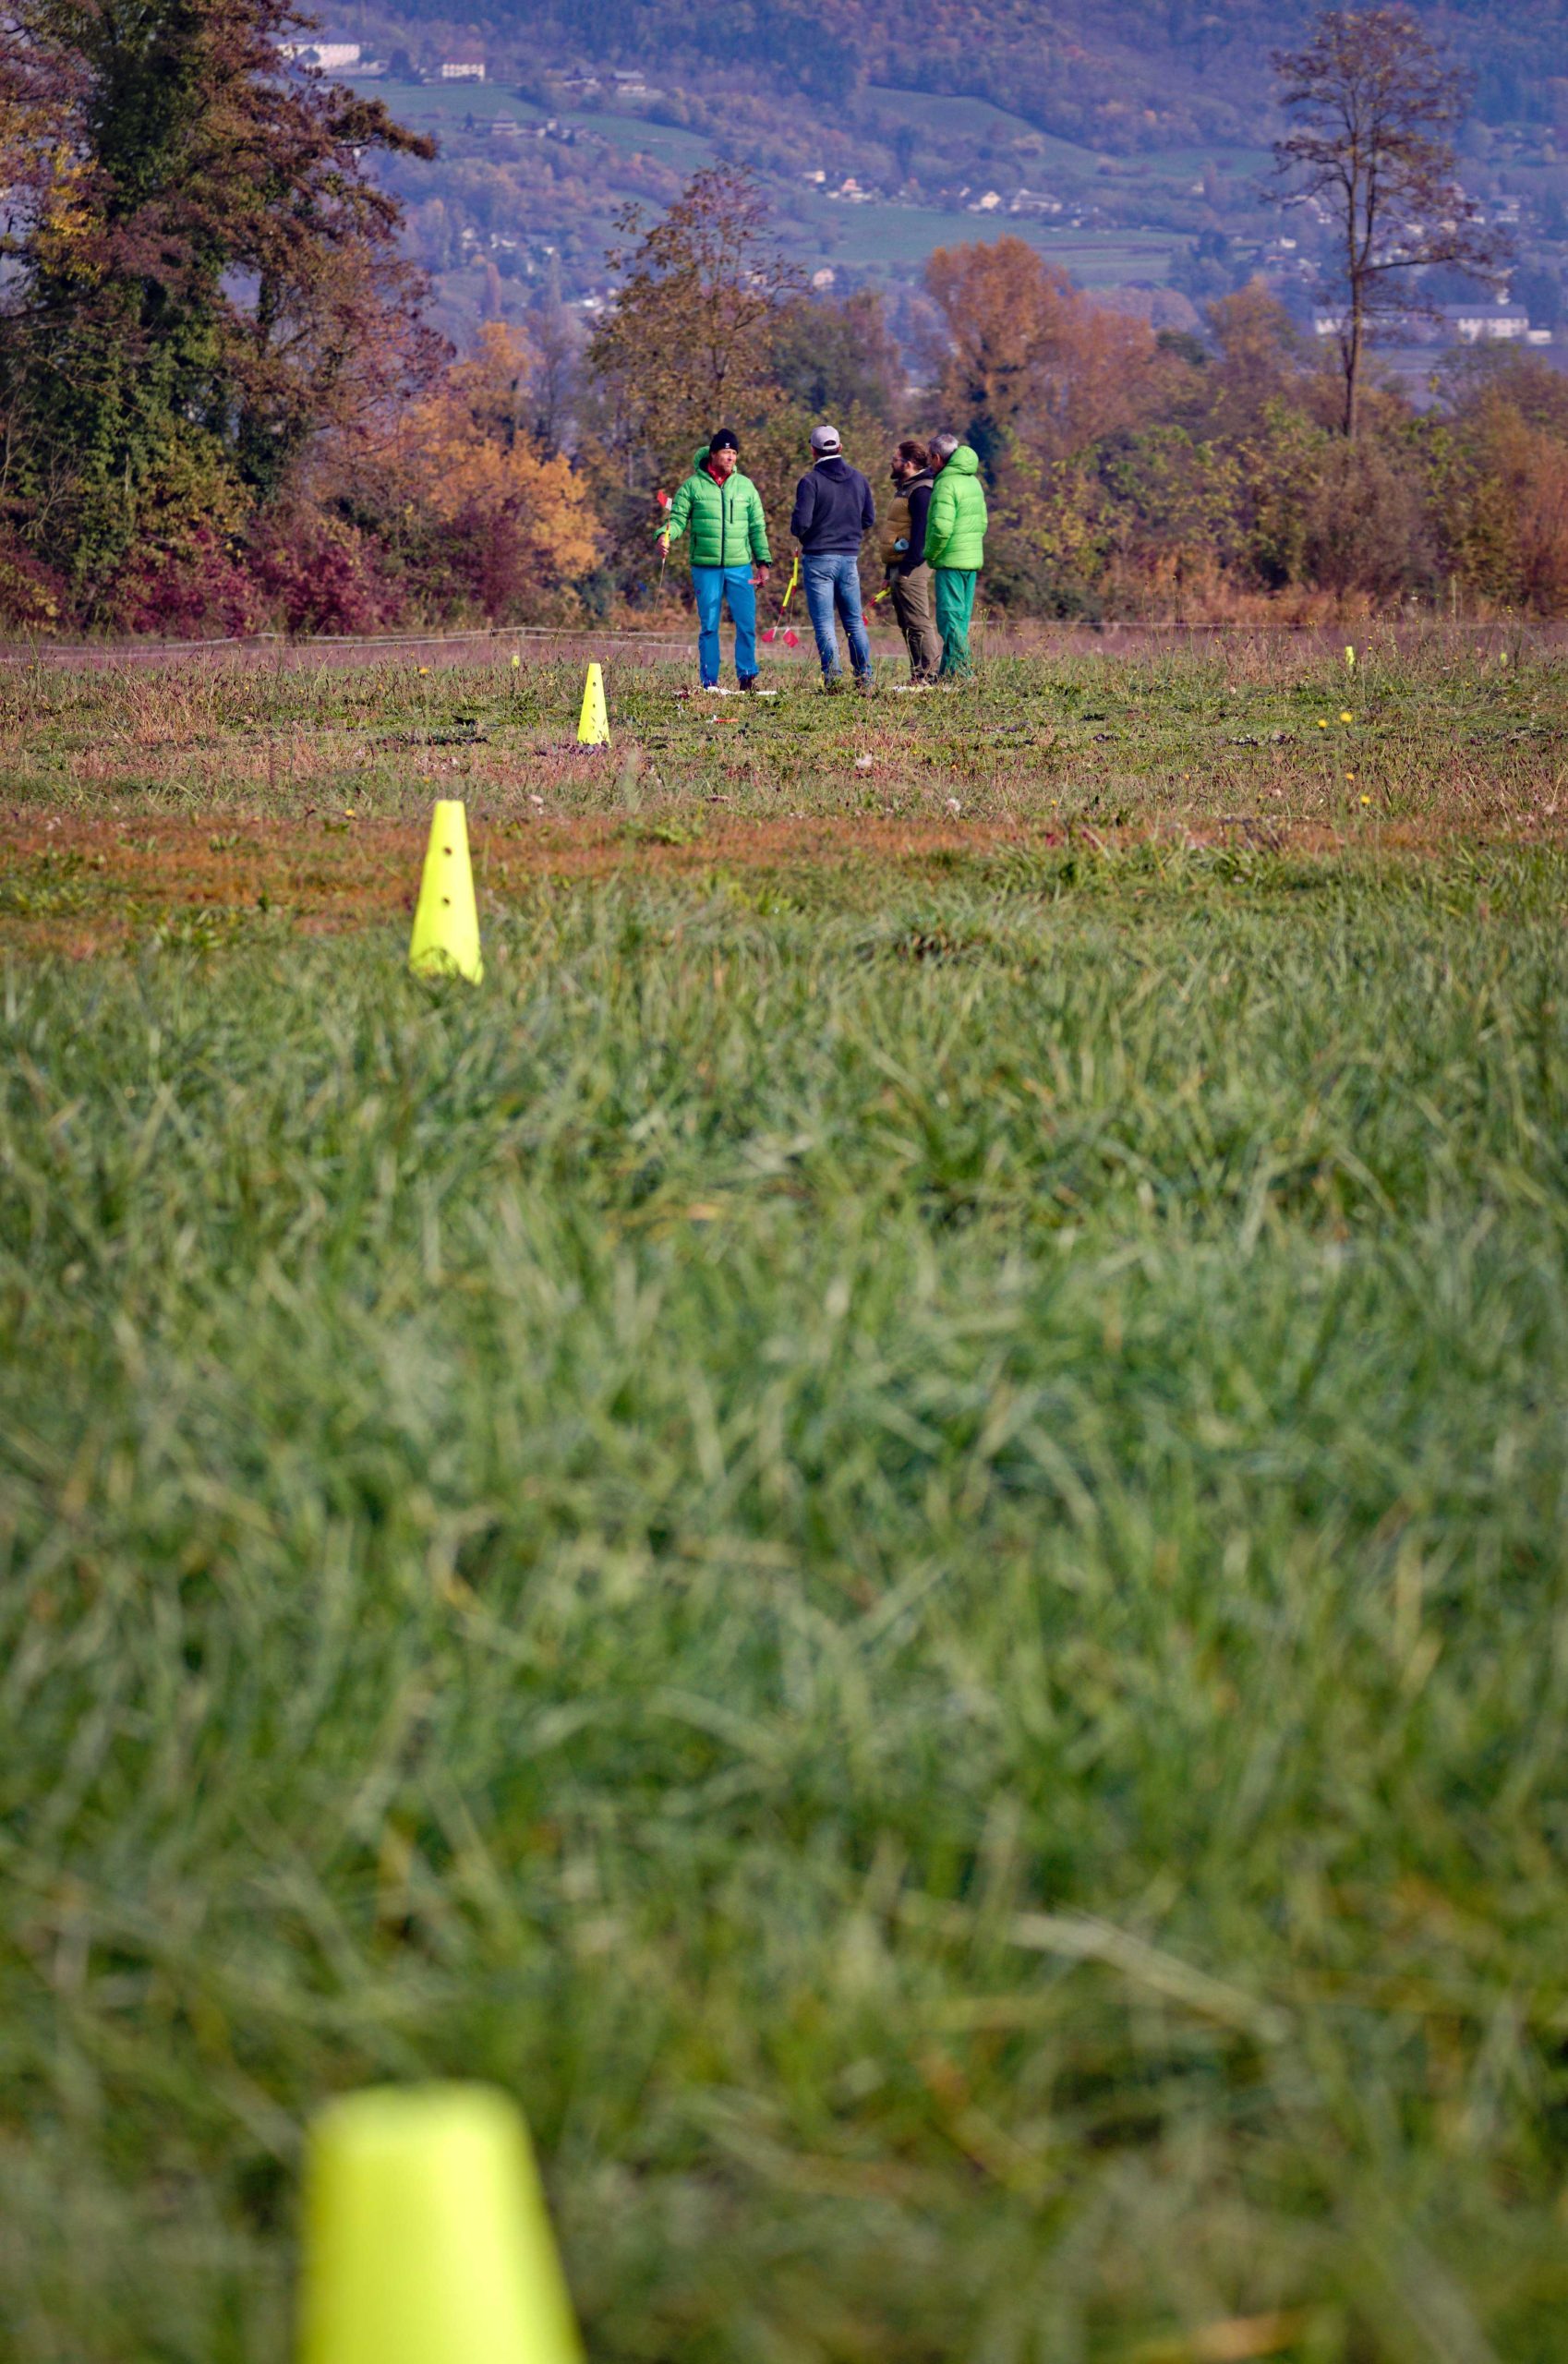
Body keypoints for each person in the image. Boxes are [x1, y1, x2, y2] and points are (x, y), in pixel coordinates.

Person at [658, 428, 771, 692]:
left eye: (734, 453)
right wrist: (665, 536)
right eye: (726, 452)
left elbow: (757, 527)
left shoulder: (746, 486)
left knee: (746, 623)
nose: (731, 457)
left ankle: (747, 677)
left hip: (740, 567)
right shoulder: (691, 487)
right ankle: (709, 682)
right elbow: (677, 519)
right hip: (705, 568)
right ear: (713, 454)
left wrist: (763, 563)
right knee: (709, 626)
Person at [790, 423, 875, 694]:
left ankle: (834, 680)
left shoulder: (810, 482)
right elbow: (868, 519)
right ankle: (865, 679)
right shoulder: (859, 479)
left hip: (818, 559)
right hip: (849, 558)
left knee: (825, 623)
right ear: (840, 446)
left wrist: (807, 532)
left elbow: (801, 524)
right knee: (854, 621)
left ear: (812, 451)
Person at [923, 432, 988, 681]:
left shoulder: (945, 484)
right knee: (960, 621)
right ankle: (948, 674)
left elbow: (941, 528)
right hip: (970, 561)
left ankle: (965, 674)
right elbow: (982, 523)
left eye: (930, 458)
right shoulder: (973, 482)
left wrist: (930, 553)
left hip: (950, 560)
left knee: (948, 620)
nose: (929, 463)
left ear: (937, 458)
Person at [880, 438, 942, 687]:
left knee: (918, 621)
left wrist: (907, 568)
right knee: (905, 622)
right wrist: (889, 572)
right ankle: (918, 674)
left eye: (895, 459)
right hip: (899, 565)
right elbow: (898, 530)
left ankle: (930, 675)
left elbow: (921, 534)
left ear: (907, 464)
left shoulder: (922, 491)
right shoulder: (905, 487)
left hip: (913, 565)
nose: (891, 463)